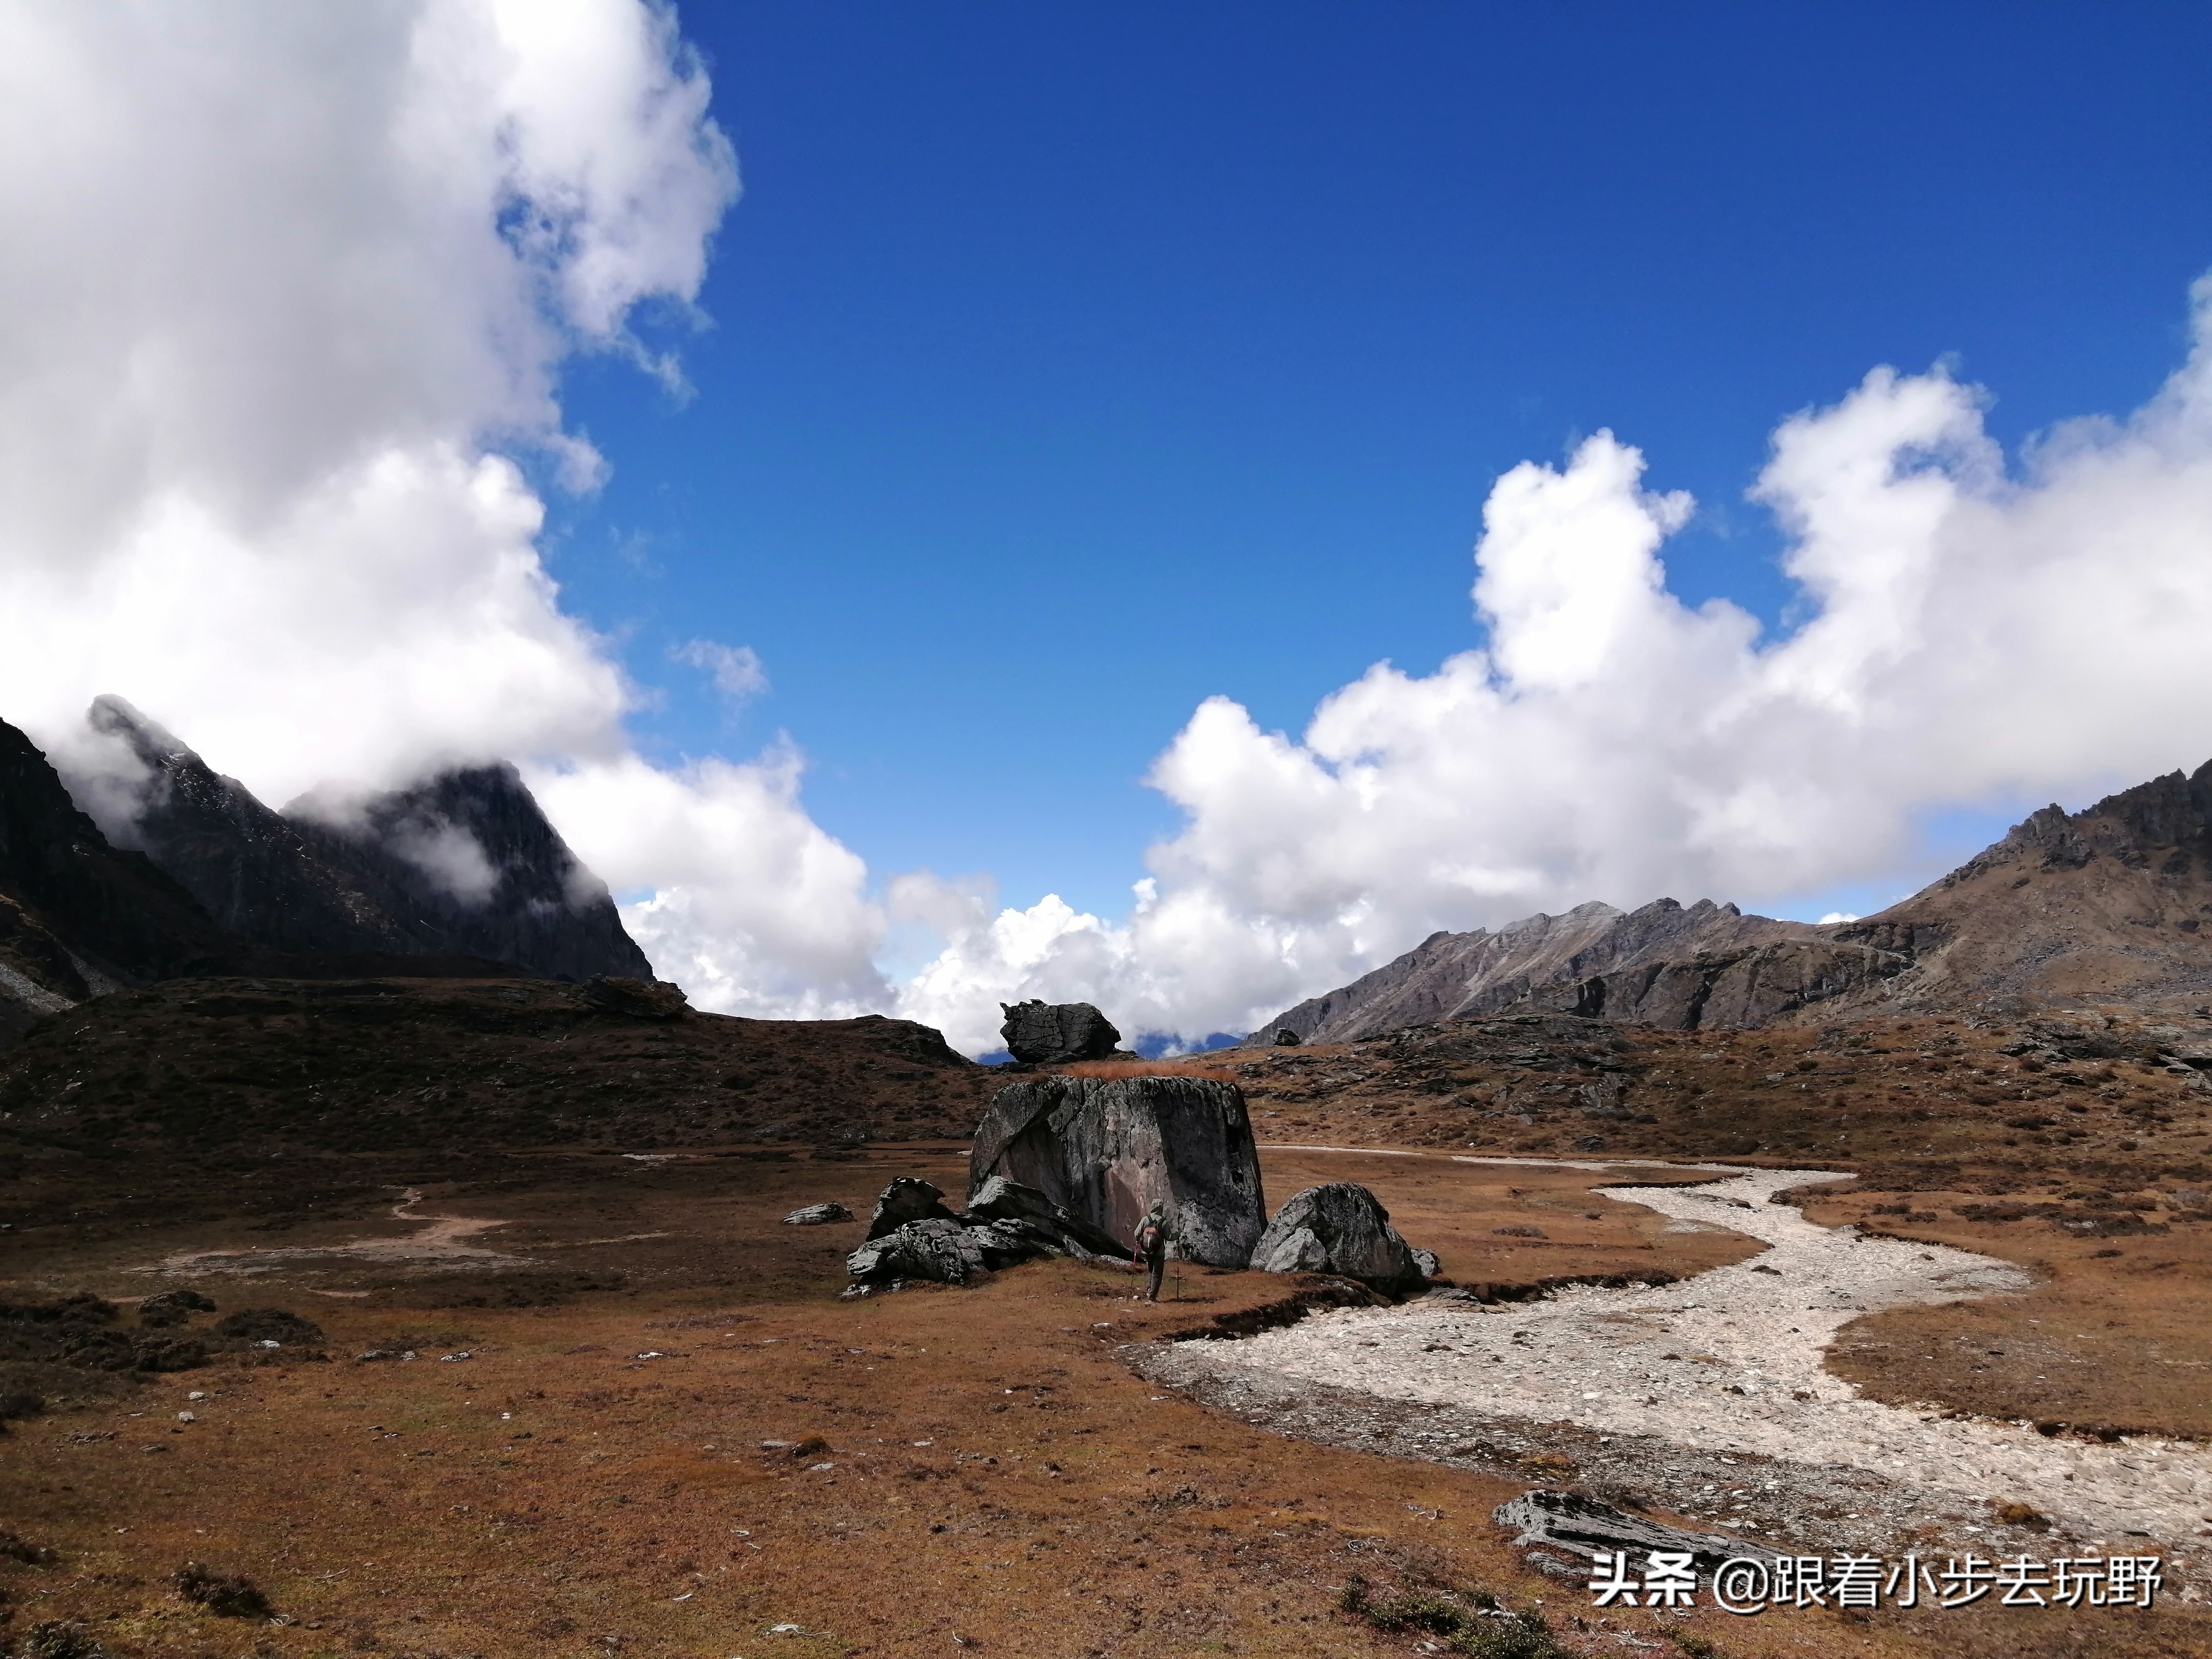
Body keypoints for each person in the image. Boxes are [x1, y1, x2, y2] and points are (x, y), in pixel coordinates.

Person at [1131, 1201, 1170, 1301]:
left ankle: (1149, 1290)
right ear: (1161, 1208)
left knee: (1151, 1270)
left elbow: (1137, 1234)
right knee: (1157, 1273)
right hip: (1159, 1252)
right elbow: (1169, 1237)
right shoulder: (1164, 1222)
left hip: (1147, 1251)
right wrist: (1178, 1234)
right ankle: (1152, 1296)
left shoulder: (1145, 1220)